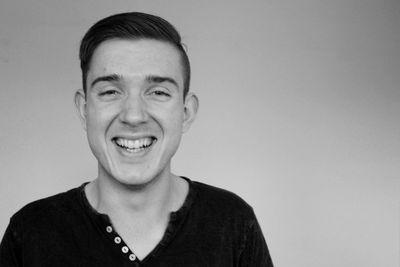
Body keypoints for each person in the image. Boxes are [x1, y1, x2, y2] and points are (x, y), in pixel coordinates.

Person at [0, 12, 273, 266]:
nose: (133, 116)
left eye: (158, 92)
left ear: (186, 113)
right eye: (110, 92)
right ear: (84, 110)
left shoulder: (234, 224)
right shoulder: (30, 232)